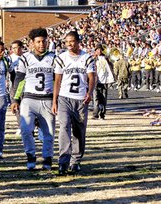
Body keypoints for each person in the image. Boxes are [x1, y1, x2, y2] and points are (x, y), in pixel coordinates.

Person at [11, 28, 55, 171]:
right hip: (29, 99)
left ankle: (47, 159)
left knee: (49, 133)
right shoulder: (25, 58)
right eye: (38, 41)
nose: (42, 44)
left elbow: (58, 80)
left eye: (44, 41)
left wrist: (57, 99)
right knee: (25, 129)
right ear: (32, 43)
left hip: (47, 99)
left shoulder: (54, 58)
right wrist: (15, 99)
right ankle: (30, 155)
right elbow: (19, 80)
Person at [52, 30, 95, 175]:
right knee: (64, 127)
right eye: (67, 42)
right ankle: (63, 161)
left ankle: (75, 160)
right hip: (64, 98)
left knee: (79, 131)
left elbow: (92, 77)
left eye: (72, 41)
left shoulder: (87, 58)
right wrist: (55, 100)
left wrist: (89, 92)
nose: (69, 44)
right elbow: (57, 80)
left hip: (80, 99)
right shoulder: (61, 58)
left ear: (78, 42)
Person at [92, 44, 115, 119]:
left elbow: (111, 67)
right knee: (95, 98)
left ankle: (102, 114)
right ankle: (95, 114)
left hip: (104, 81)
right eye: (97, 50)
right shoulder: (93, 59)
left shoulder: (106, 58)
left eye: (100, 49)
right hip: (96, 81)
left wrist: (108, 60)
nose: (99, 51)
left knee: (103, 98)